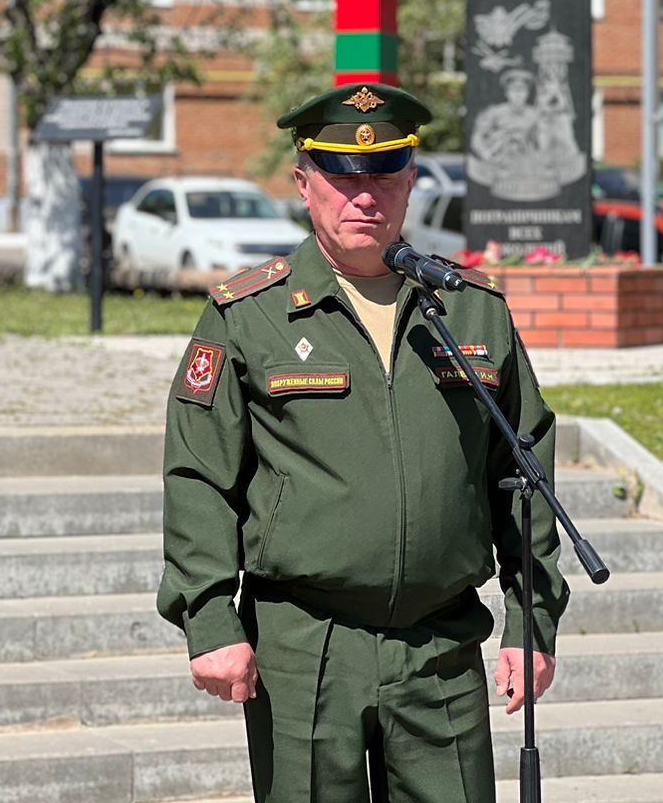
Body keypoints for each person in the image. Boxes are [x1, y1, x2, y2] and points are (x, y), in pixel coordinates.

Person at [157, 82, 570, 802]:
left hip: (441, 646)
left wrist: (531, 619)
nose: (364, 195)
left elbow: (522, 471)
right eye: (341, 176)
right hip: (304, 646)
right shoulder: (249, 315)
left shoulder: (471, 309)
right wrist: (209, 617)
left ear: (411, 181)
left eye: (384, 175)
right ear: (303, 183)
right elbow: (199, 475)